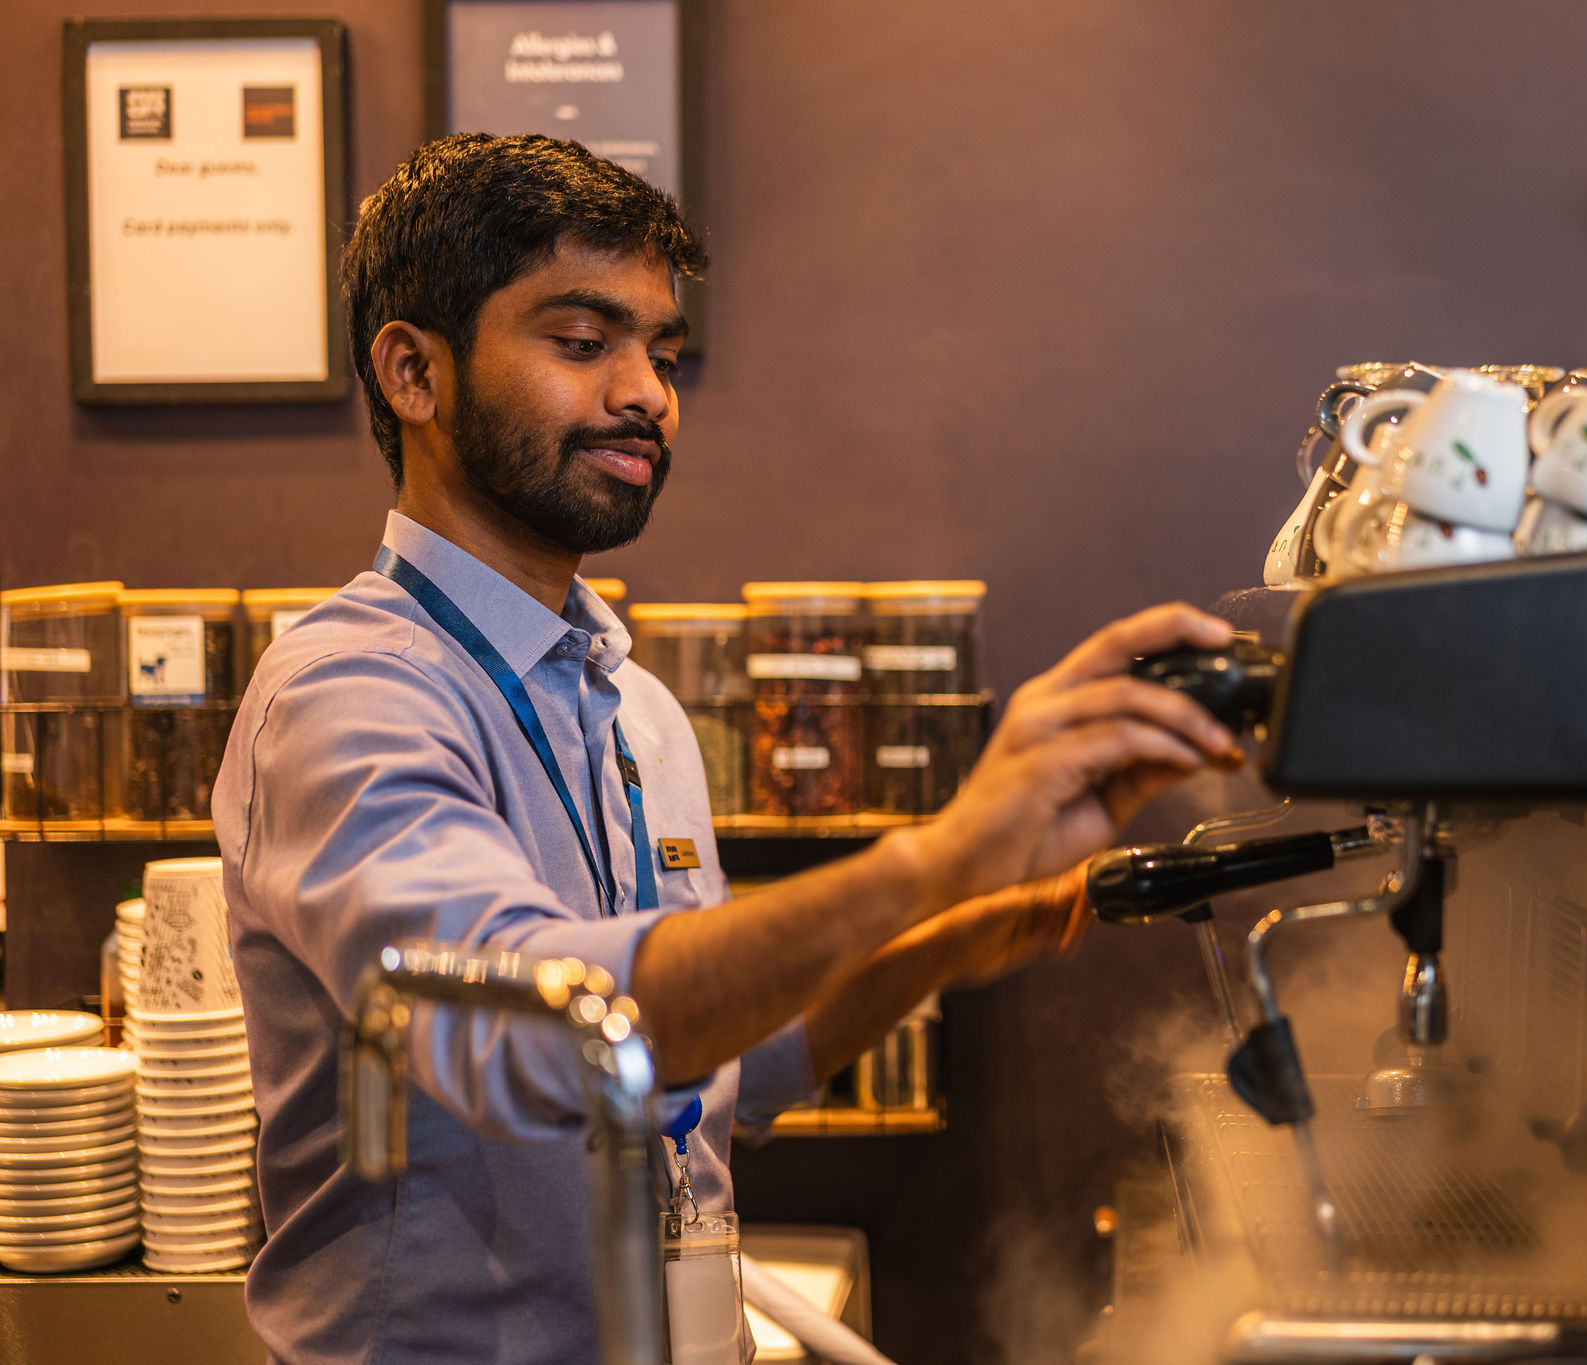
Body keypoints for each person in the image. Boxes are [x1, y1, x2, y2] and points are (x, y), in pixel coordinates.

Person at [213, 133, 1240, 1365]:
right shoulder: (347, 694)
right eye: (582, 341)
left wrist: (942, 932)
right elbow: (540, 1037)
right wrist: (928, 858)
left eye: (662, 350)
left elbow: (710, 1067)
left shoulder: (632, 702)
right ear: (414, 373)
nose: (645, 391)